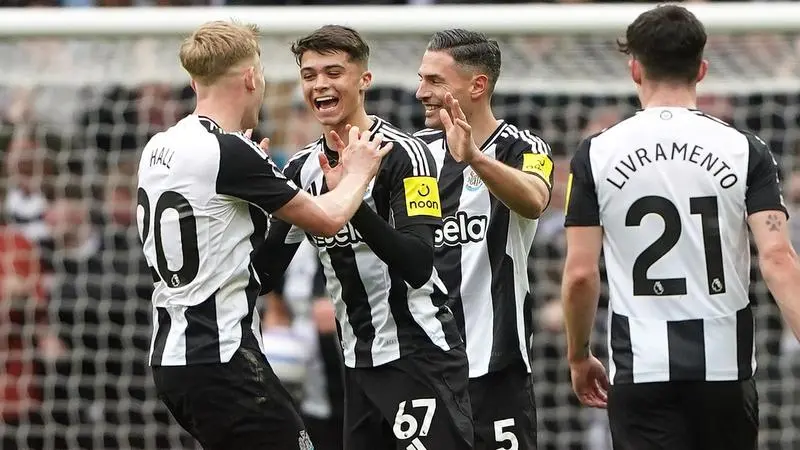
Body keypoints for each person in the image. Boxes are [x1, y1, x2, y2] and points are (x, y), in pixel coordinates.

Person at [136, 20, 391, 450]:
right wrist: (359, 173)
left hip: (171, 357)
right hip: (220, 357)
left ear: (195, 81)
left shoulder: (159, 146)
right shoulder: (230, 153)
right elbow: (329, 218)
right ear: (252, 78)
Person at [560, 5, 800, 450]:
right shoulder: (746, 149)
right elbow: (778, 258)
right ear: (702, 69)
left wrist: (578, 355)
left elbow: (579, 274)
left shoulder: (595, 154)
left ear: (635, 69)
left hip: (641, 368)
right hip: (724, 371)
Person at [261, 24, 473, 450]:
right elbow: (265, 274)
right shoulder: (301, 170)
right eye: (309, 75)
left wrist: (352, 199)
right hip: (356, 363)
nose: (320, 84)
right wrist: (251, 196)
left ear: (364, 80)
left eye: (333, 72)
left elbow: (418, 264)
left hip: (418, 356)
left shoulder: (405, 154)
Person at [413, 29, 553, 449]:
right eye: (421, 79)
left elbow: (534, 200)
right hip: (424, 365)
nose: (421, 92)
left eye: (435, 81)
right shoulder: (413, 154)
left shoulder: (522, 147)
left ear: (477, 86)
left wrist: (474, 157)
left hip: (497, 365)